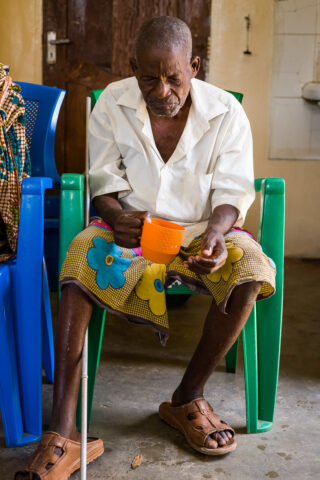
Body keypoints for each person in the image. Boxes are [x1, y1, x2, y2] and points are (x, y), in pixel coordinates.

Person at [15, 16, 276, 480]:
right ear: (132, 67)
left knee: (251, 267)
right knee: (78, 259)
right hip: (129, 231)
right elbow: (101, 180)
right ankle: (64, 431)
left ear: (193, 66)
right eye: (148, 77)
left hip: (201, 231)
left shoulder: (226, 113)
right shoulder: (112, 103)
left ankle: (187, 397)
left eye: (173, 77)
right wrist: (117, 218)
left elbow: (233, 191)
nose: (161, 90)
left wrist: (217, 233)